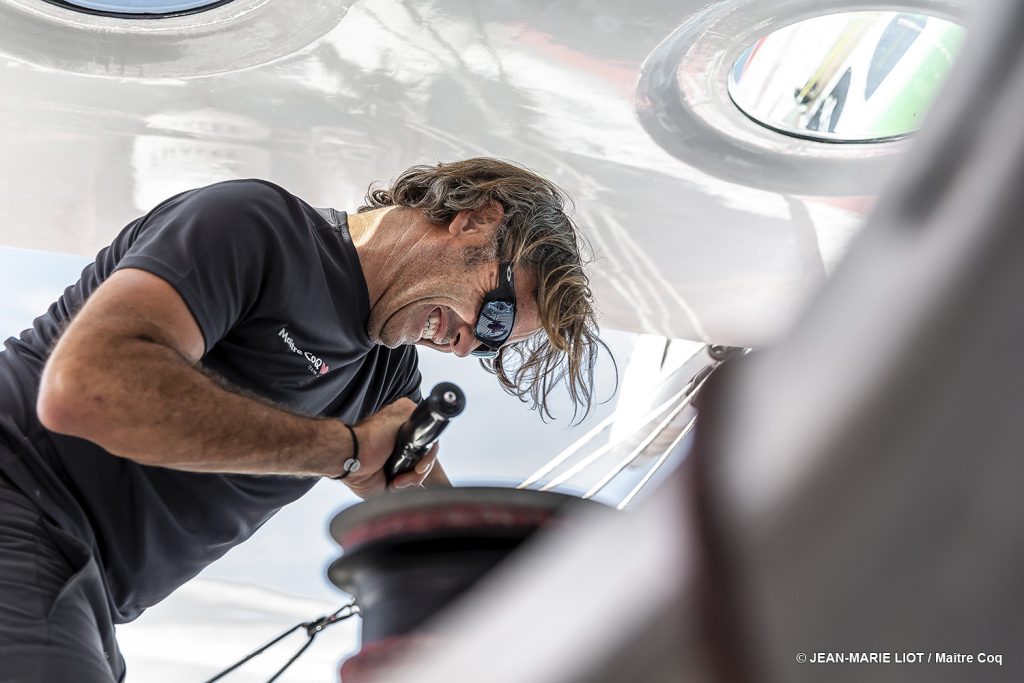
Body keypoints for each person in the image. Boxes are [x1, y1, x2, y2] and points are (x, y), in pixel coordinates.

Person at [0, 158, 604, 682]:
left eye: (491, 345)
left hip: (86, 594)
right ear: (476, 220)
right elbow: (85, 388)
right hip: (22, 505)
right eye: (495, 316)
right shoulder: (255, 225)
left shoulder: (385, 375)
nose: (466, 345)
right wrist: (343, 449)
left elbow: (439, 527)